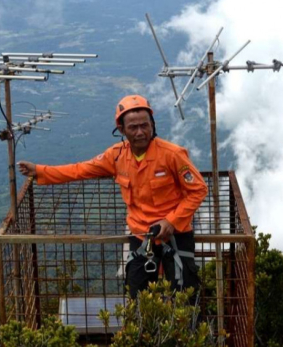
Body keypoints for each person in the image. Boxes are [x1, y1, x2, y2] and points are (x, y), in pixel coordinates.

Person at [18, 95, 208, 298]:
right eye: (133, 127)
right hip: (142, 235)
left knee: (185, 296)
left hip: (176, 234)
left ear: (152, 125)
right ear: (121, 130)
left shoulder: (172, 154)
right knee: (138, 297)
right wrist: (39, 171)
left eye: (145, 125)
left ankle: (189, 328)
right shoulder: (116, 156)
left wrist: (171, 221)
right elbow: (80, 170)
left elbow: (198, 189)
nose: (140, 132)